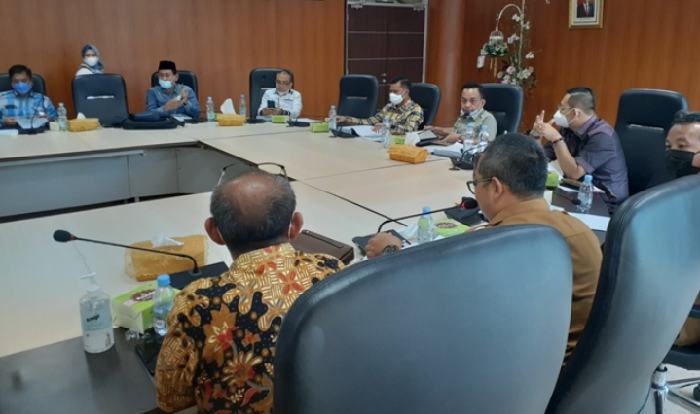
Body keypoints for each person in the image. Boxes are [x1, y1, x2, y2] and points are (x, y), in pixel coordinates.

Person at [366, 134, 602, 361]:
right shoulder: (581, 231)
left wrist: (389, 253)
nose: (475, 193)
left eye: (476, 184)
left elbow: (417, 303)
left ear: (496, 188)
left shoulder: (486, 248)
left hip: (519, 377)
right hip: (575, 368)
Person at [155, 170, 345, 413]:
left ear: (213, 232)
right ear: (296, 225)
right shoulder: (331, 271)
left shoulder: (199, 303)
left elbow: (170, 398)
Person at [533, 89, 629, 210]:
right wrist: (537, 135)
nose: (558, 113)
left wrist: (556, 139)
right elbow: (541, 158)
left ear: (575, 113)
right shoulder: (568, 128)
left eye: (562, 109)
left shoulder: (603, 136)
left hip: (605, 203)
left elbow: (574, 173)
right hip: (575, 192)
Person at [662, 111, 700, 346]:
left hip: (682, 321)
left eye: (682, 146)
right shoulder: (685, 189)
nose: (673, 153)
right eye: (669, 146)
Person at [336, 77, 424, 135]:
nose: (391, 94)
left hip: (398, 145)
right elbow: (371, 121)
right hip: (381, 141)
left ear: (406, 92)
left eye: (395, 91)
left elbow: (410, 130)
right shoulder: (390, 106)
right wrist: (347, 119)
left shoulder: (415, 109)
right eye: (390, 91)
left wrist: (388, 126)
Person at [427, 82, 497, 143]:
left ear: (482, 103)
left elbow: (487, 143)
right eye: (464, 100)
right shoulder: (465, 115)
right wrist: (436, 129)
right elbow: (456, 131)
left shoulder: (488, 119)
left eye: (472, 101)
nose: (467, 105)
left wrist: (460, 138)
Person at [0, 64, 57, 128]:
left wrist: (49, 119)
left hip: (38, 132)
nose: (20, 84)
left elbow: (56, 120)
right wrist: (2, 121)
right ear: (12, 84)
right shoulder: (1, 98)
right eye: (16, 81)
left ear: (31, 82)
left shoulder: (44, 100)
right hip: (11, 132)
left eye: (24, 81)